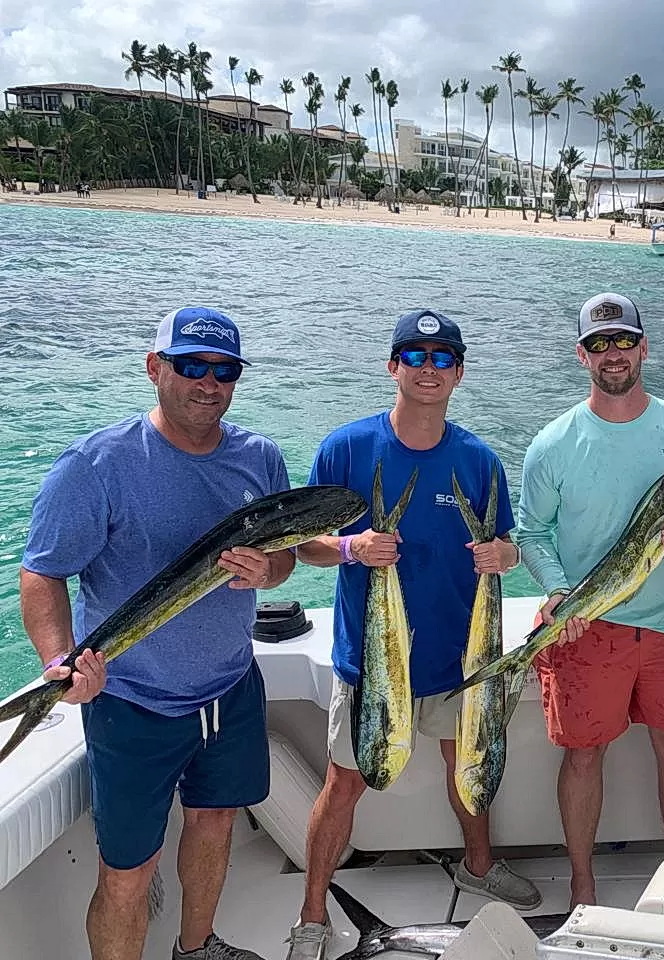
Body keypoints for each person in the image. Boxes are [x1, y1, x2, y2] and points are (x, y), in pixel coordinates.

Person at [21, 307, 293, 960]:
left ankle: (197, 949)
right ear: (154, 368)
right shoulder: (96, 465)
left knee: (216, 821)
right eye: (191, 365)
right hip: (131, 703)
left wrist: (269, 569)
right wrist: (61, 661)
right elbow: (42, 575)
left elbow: (285, 558)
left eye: (223, 370)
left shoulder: (260, 459)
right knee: (127, 875)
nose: (209, 382)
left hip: (230, 687)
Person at [285, 309, 540, 959]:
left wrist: (504, 558)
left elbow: (506, 545)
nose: (430, 369)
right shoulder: (346, 448)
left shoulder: (478, 459)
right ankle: (312, 912)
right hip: (373, 661)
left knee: (468, 766)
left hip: (459, 659)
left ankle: (477, 867)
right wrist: (351, 547)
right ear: (392, 365)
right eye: (416, 356)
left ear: (459, 371)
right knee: (344, 781)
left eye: (443, 357)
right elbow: (303, 546)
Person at [517, 292, 664, 908]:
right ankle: (582, 888)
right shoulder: (552, 444)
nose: (613, 354)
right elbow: (531, 531)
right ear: (582, 355)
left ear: (644, 348)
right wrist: (558, 591)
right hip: (588, 627)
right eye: (599, 344)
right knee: (583, 757)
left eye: (624, 340)